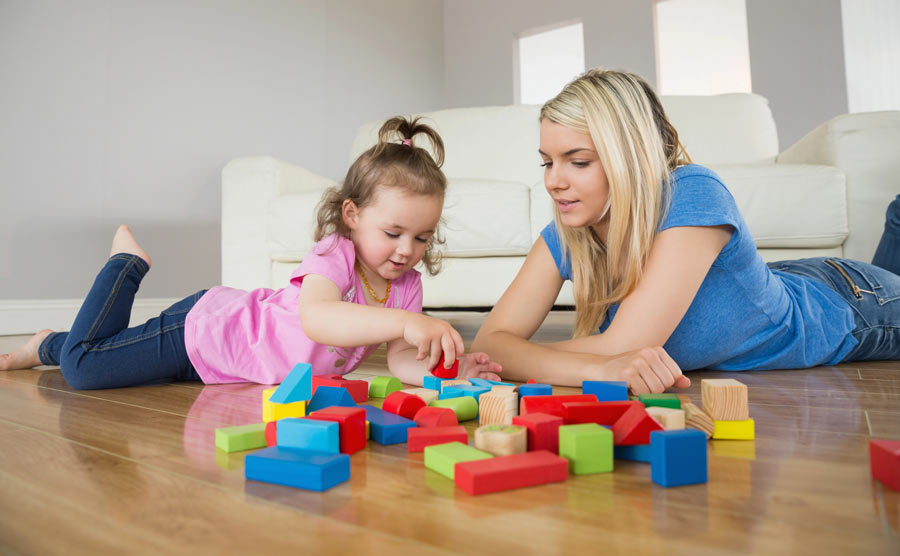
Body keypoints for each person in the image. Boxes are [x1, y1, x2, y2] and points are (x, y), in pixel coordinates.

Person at [471, 68, 900, 394]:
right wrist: (591, 367)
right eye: (547, 161)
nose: (553, 181)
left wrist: (544, 362)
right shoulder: (568, 231)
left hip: (852, 305)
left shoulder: (691, 192)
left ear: (630, 156)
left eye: (578, 161)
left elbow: (623, 346)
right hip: (776, 283)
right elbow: (492, 344)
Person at [0, 116, 502, 389]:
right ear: (352, 215)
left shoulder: (406, 287)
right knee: (86, 370)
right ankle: (125, 265)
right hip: (205, 330)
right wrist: (407, 324)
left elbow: (400, 364)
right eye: (393, 232)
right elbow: (319, 319)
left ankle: (48, 341)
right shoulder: (335, 253)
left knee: (104, 357)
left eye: (421, 237)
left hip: (219, 369)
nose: (406, 250)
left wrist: (447, 374)